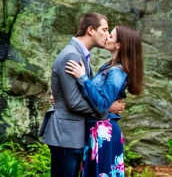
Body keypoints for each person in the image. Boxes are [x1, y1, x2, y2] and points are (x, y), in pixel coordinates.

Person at [39, 13, 126, 177]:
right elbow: (74, 102)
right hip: (66, 135)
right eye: (105, 29)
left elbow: (76, 96)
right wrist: (105, 110)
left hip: (74, 135)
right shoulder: (72, 55)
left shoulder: (82, 55)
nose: (107, 35)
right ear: (91, 30)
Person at [65, 25, 144, 177]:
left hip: (102, 132)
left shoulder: (116, 72)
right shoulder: (109, 66)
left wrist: (83, 78)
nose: (106, 36)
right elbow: (97, 99)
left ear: (118, 45)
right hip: (97, 129)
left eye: (111, 35)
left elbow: (102, 104)